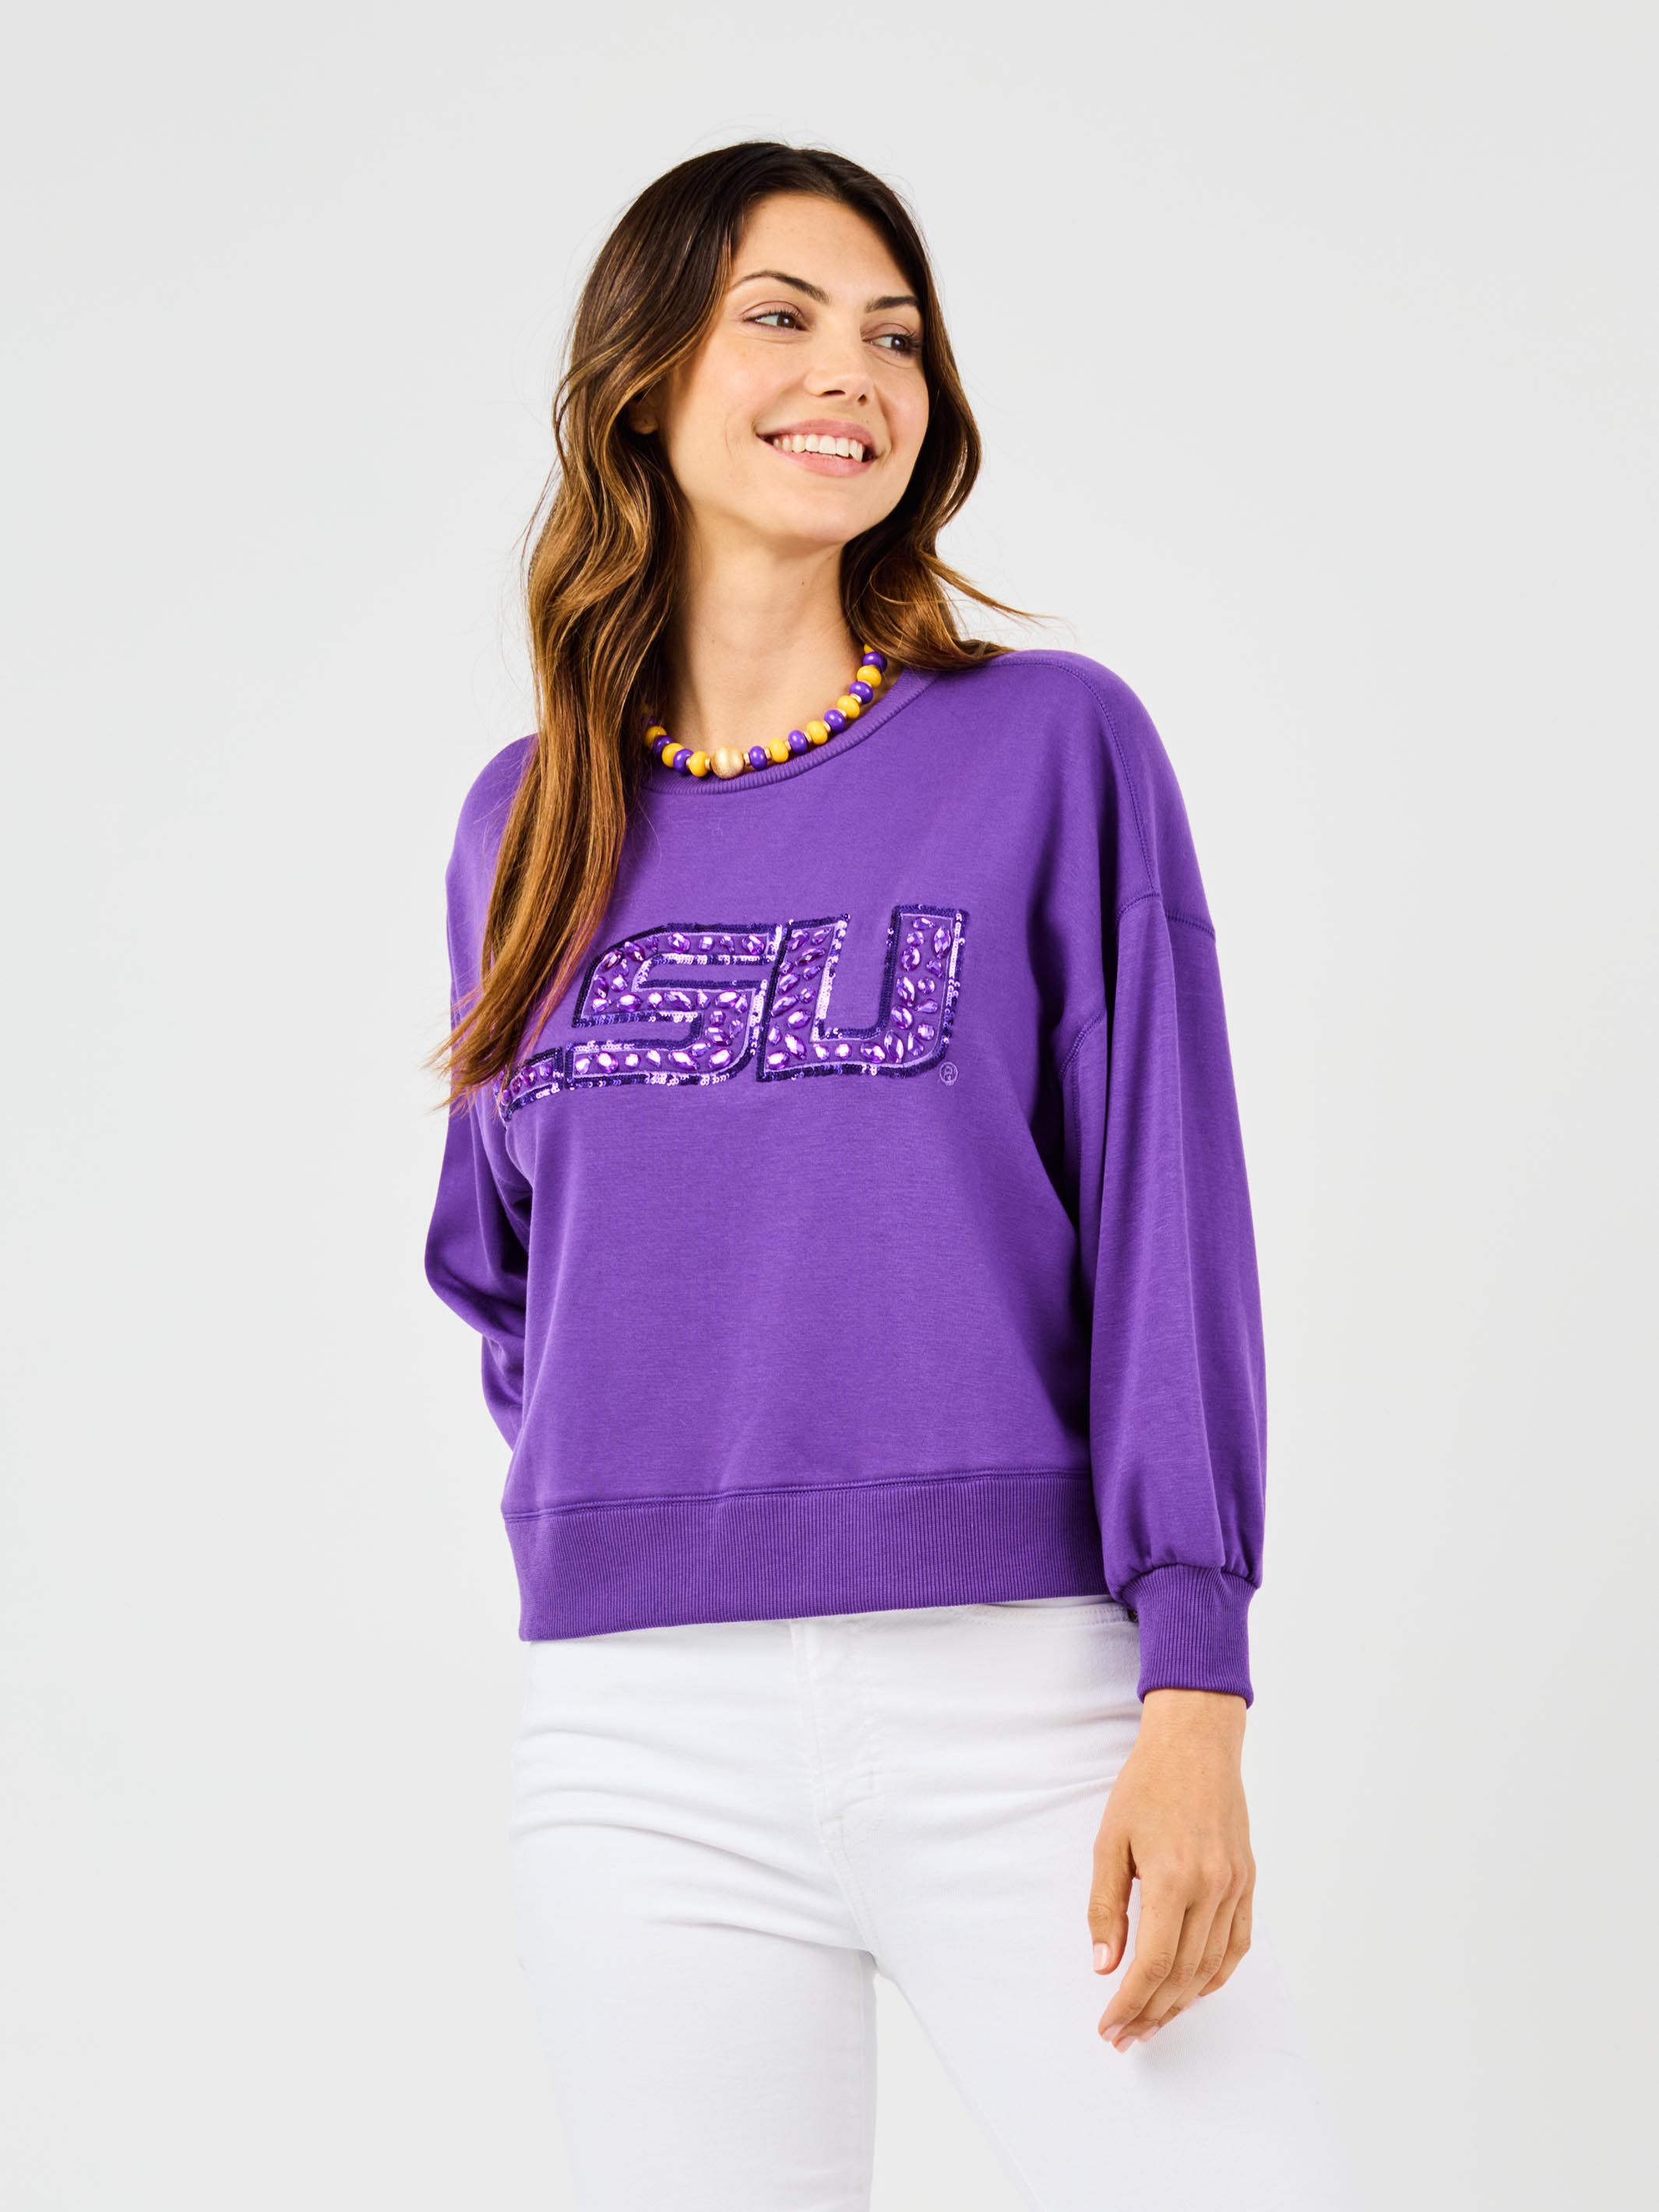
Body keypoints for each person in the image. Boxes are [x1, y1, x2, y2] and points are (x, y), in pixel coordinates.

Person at [421, 141, 1359, 2212]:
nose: (850, 372)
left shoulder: (1049, 749)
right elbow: (506, 1275)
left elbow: (1167, 1221)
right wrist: (653, 1487)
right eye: (780, 316)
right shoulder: (523, 820)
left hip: (1021, 1705)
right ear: (644, 384)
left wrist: (1194, 1684)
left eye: (895, 335)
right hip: (637, 1742)